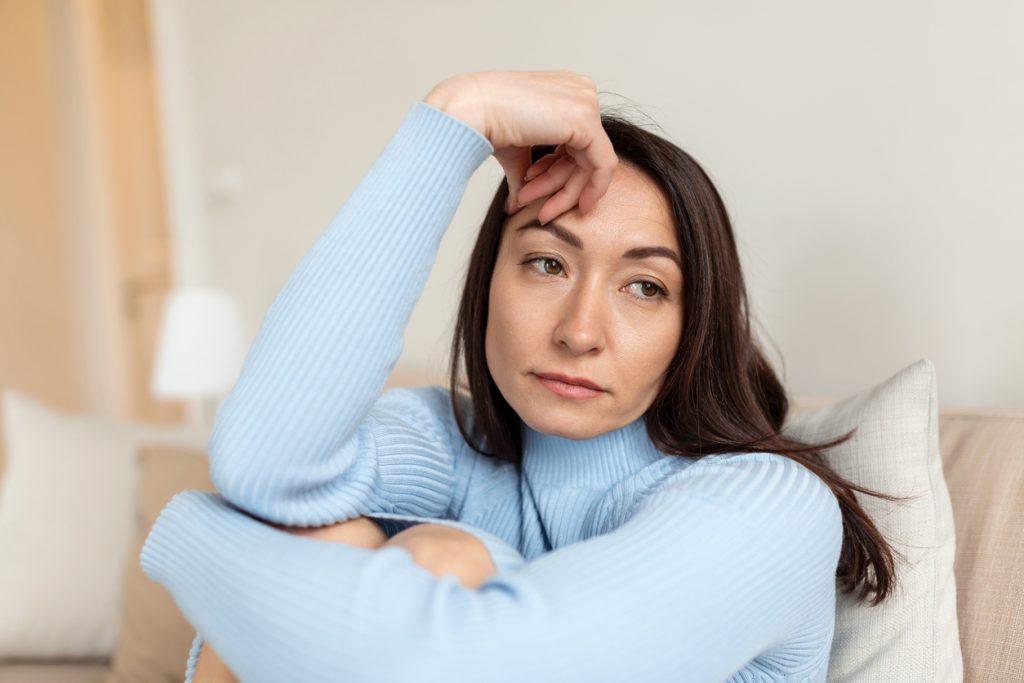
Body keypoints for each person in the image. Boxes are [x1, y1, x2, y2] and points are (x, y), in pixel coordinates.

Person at [140, 69, 903, 683]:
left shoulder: (769, 507)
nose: (578, 331)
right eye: (546, 262)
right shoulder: (450, 442)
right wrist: (455, 119)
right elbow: (264, 464)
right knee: (331, 535)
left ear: (692, 326)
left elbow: (466, 662)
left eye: (645, 287)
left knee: (438, 560)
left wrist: (189, 533)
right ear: (488, 284)